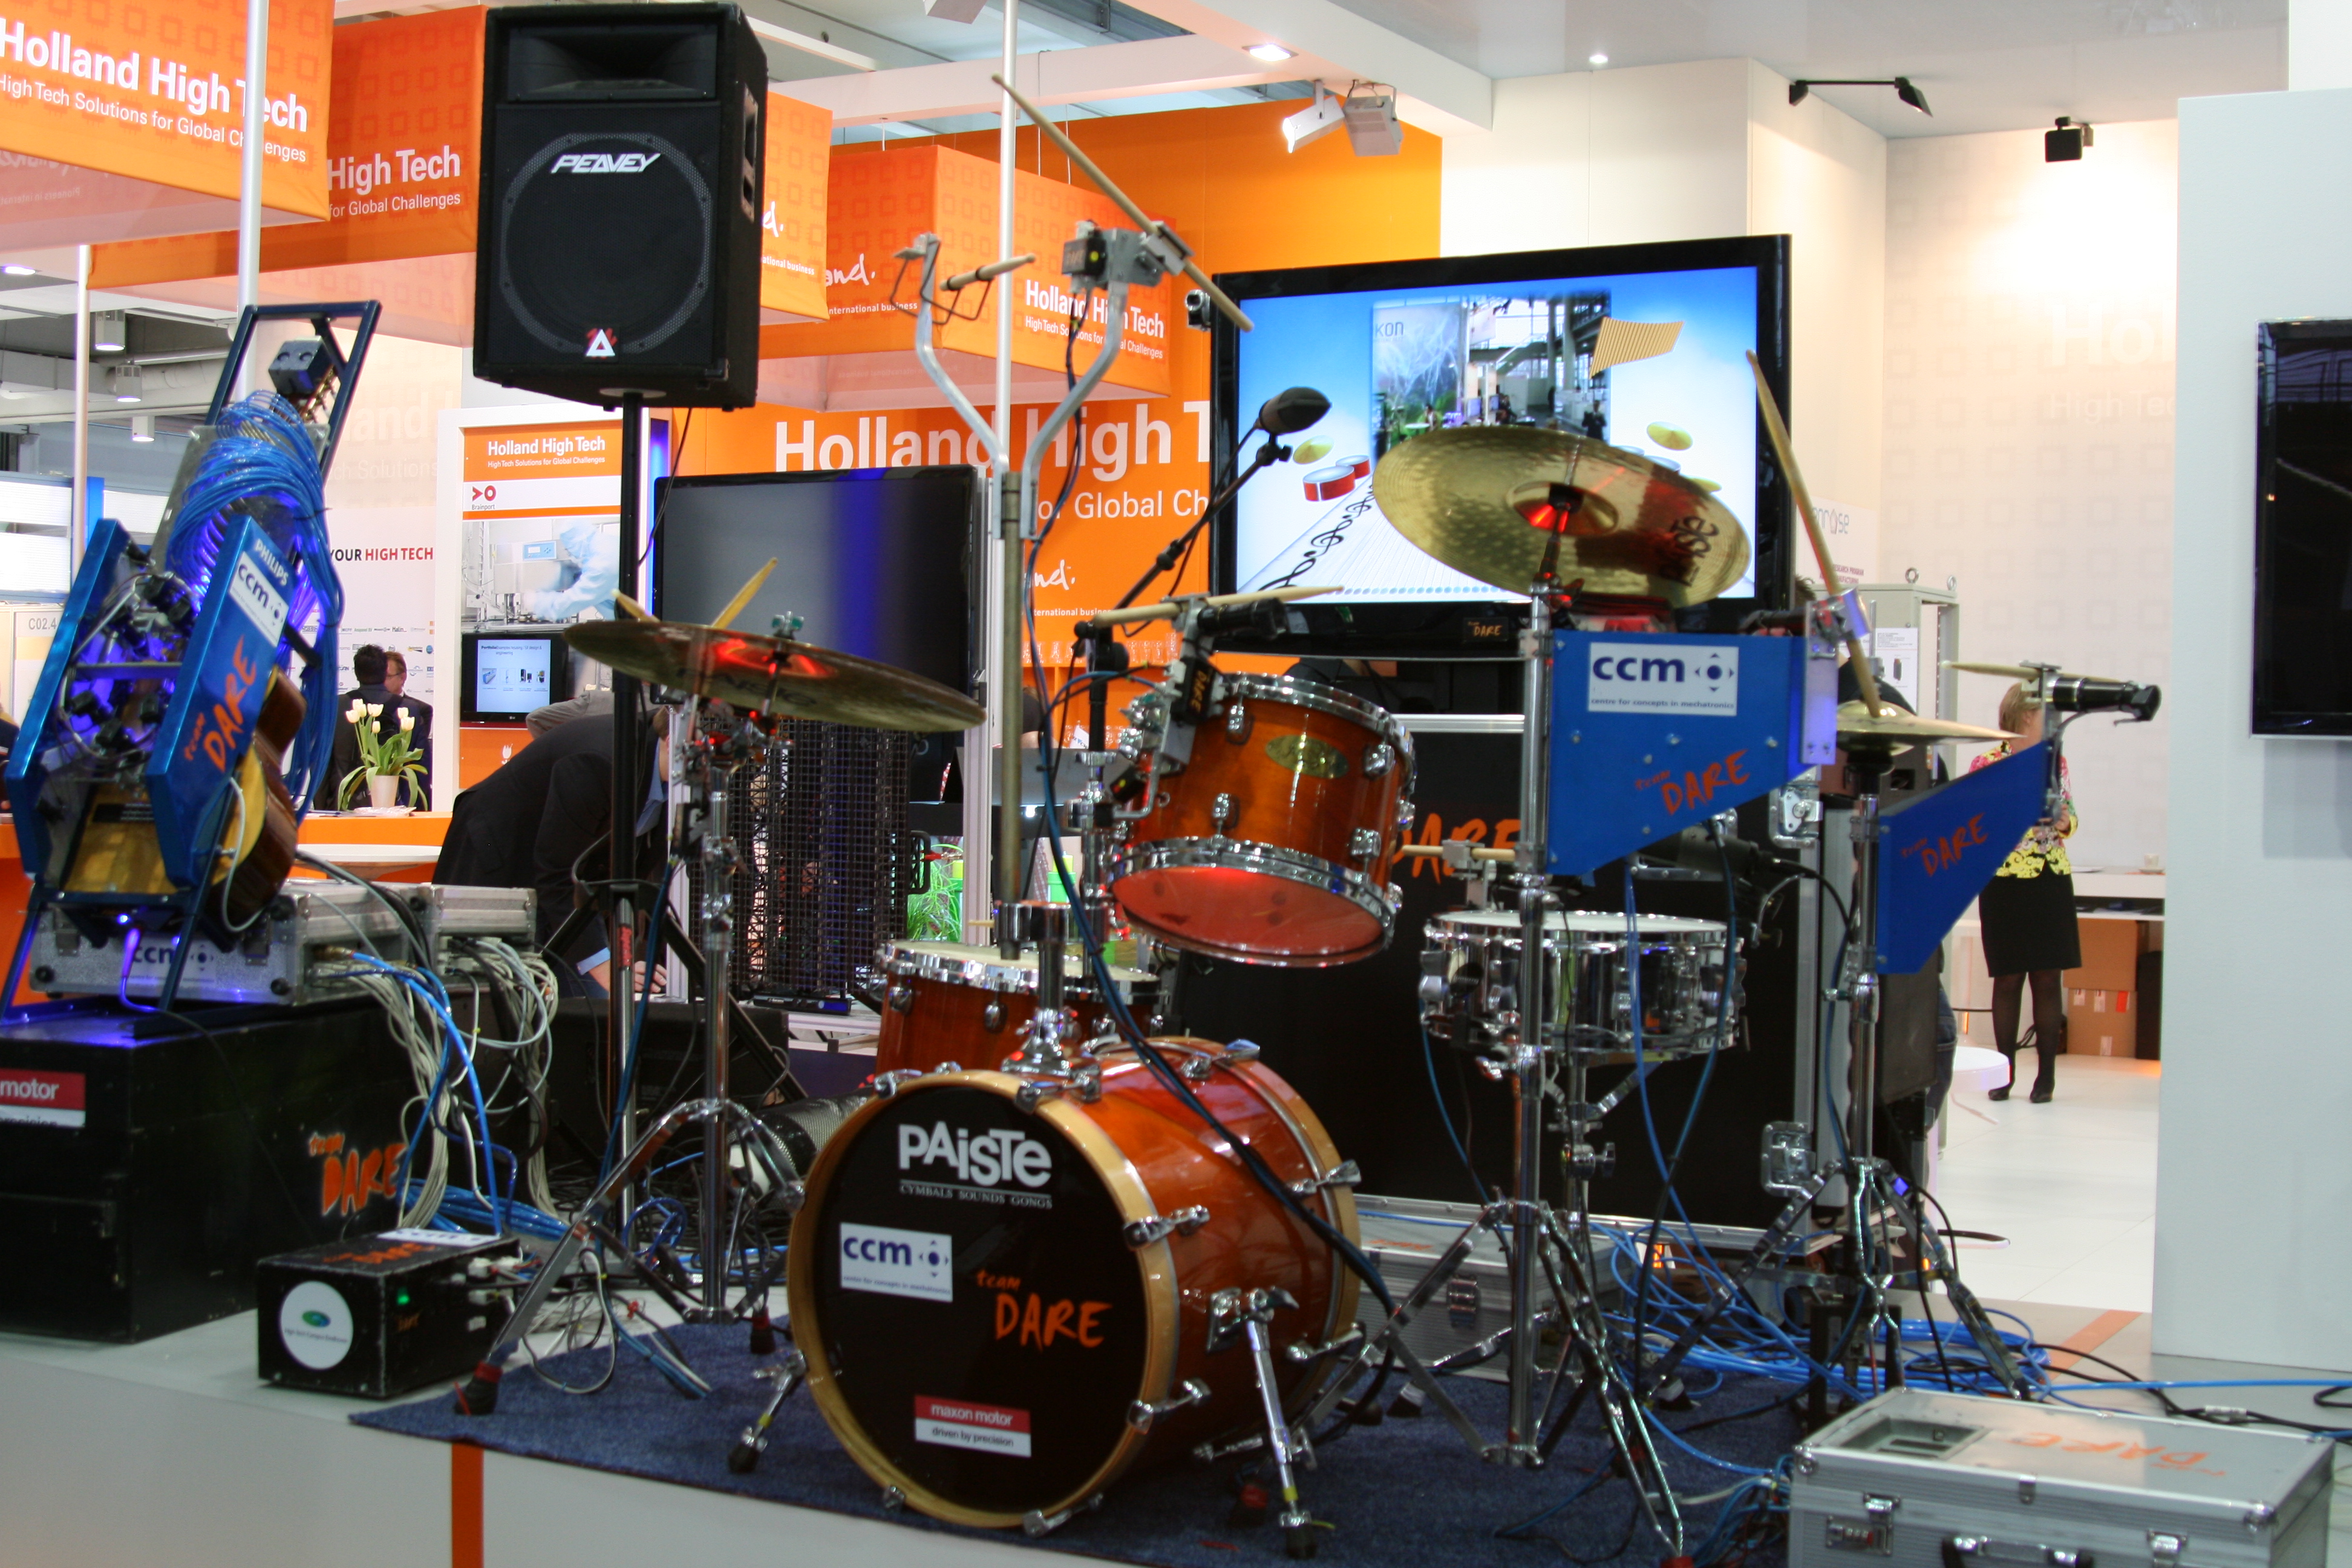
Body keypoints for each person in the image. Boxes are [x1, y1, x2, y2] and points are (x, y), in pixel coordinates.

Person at [433, 701, 667, 995]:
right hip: (498, 854)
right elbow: (558, 871)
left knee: (581, 990)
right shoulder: (604, 761)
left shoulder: (668, 768)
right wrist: (606, 965)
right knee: (492, 993)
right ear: (674, 738)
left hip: (559, 879)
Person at [1971, 683, 2080, 1103]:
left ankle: (2046, 1077)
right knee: (2008, 978)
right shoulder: (1987, 763)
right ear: (2022, 717)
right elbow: (1977, 823)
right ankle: (2004, 1074)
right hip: (2004, 878)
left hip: (2050, 875)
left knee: (2048, 977)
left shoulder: (2056, 762)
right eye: (2043, 716)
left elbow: (2072, 817)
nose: (2050, 724)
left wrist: (2064, 820)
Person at [325, 644, 432, 808]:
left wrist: (324, 807)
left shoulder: (335, 707)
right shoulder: (410, 709)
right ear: (384, 672)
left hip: (344, 806)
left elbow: (322, 765)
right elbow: (422, 765)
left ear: (356, 673)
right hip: (397, 808)